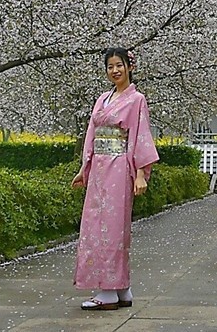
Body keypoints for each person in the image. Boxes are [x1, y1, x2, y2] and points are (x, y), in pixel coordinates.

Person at [71, 47, 159, 310]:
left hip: (119, 167)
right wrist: (84, 167)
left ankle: (108, 290)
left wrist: (140, 173)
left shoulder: (136, 99)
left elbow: (141, 135)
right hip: (99, 168)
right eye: (110, 66)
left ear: (130, 67)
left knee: (113, 227)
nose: (115, 71)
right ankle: (121, 288)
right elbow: (92, 132)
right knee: (94, 225)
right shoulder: (102, 99)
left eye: (119, 65)